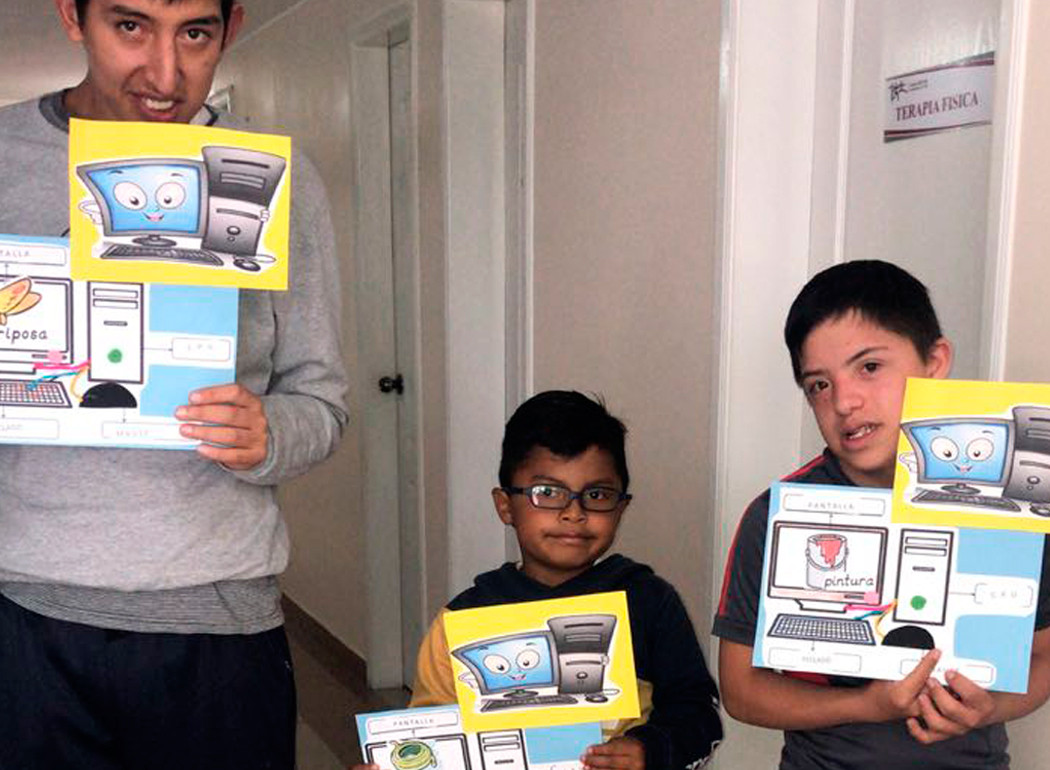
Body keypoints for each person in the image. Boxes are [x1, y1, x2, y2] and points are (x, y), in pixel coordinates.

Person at [0, 1, 348, 767]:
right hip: (28, 611)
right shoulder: (4, 157)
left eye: (195, 33)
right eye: (130, 26)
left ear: (232, 25)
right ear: (72, 17)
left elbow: (322, 400)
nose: (165, 75)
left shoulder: (272, 180)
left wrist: (269, 433)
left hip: (217, 617)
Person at [713, 260, 1050, 769]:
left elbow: (1042, 656)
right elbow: (741, 690)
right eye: (819, 385)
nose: (844, 401)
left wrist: (989, 709)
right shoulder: (775, 516)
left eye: (869, 367)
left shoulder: (1008, 503)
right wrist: (865, 705)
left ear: (935, 362)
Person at [404, 390, 723, 770]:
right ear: (505, 506)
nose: (574, 512)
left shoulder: (648, 602)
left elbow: (698, 713)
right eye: (547, 492)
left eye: (597, 494)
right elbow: (428, 741)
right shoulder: (461, 620)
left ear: (621, 507)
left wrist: (649, 750)